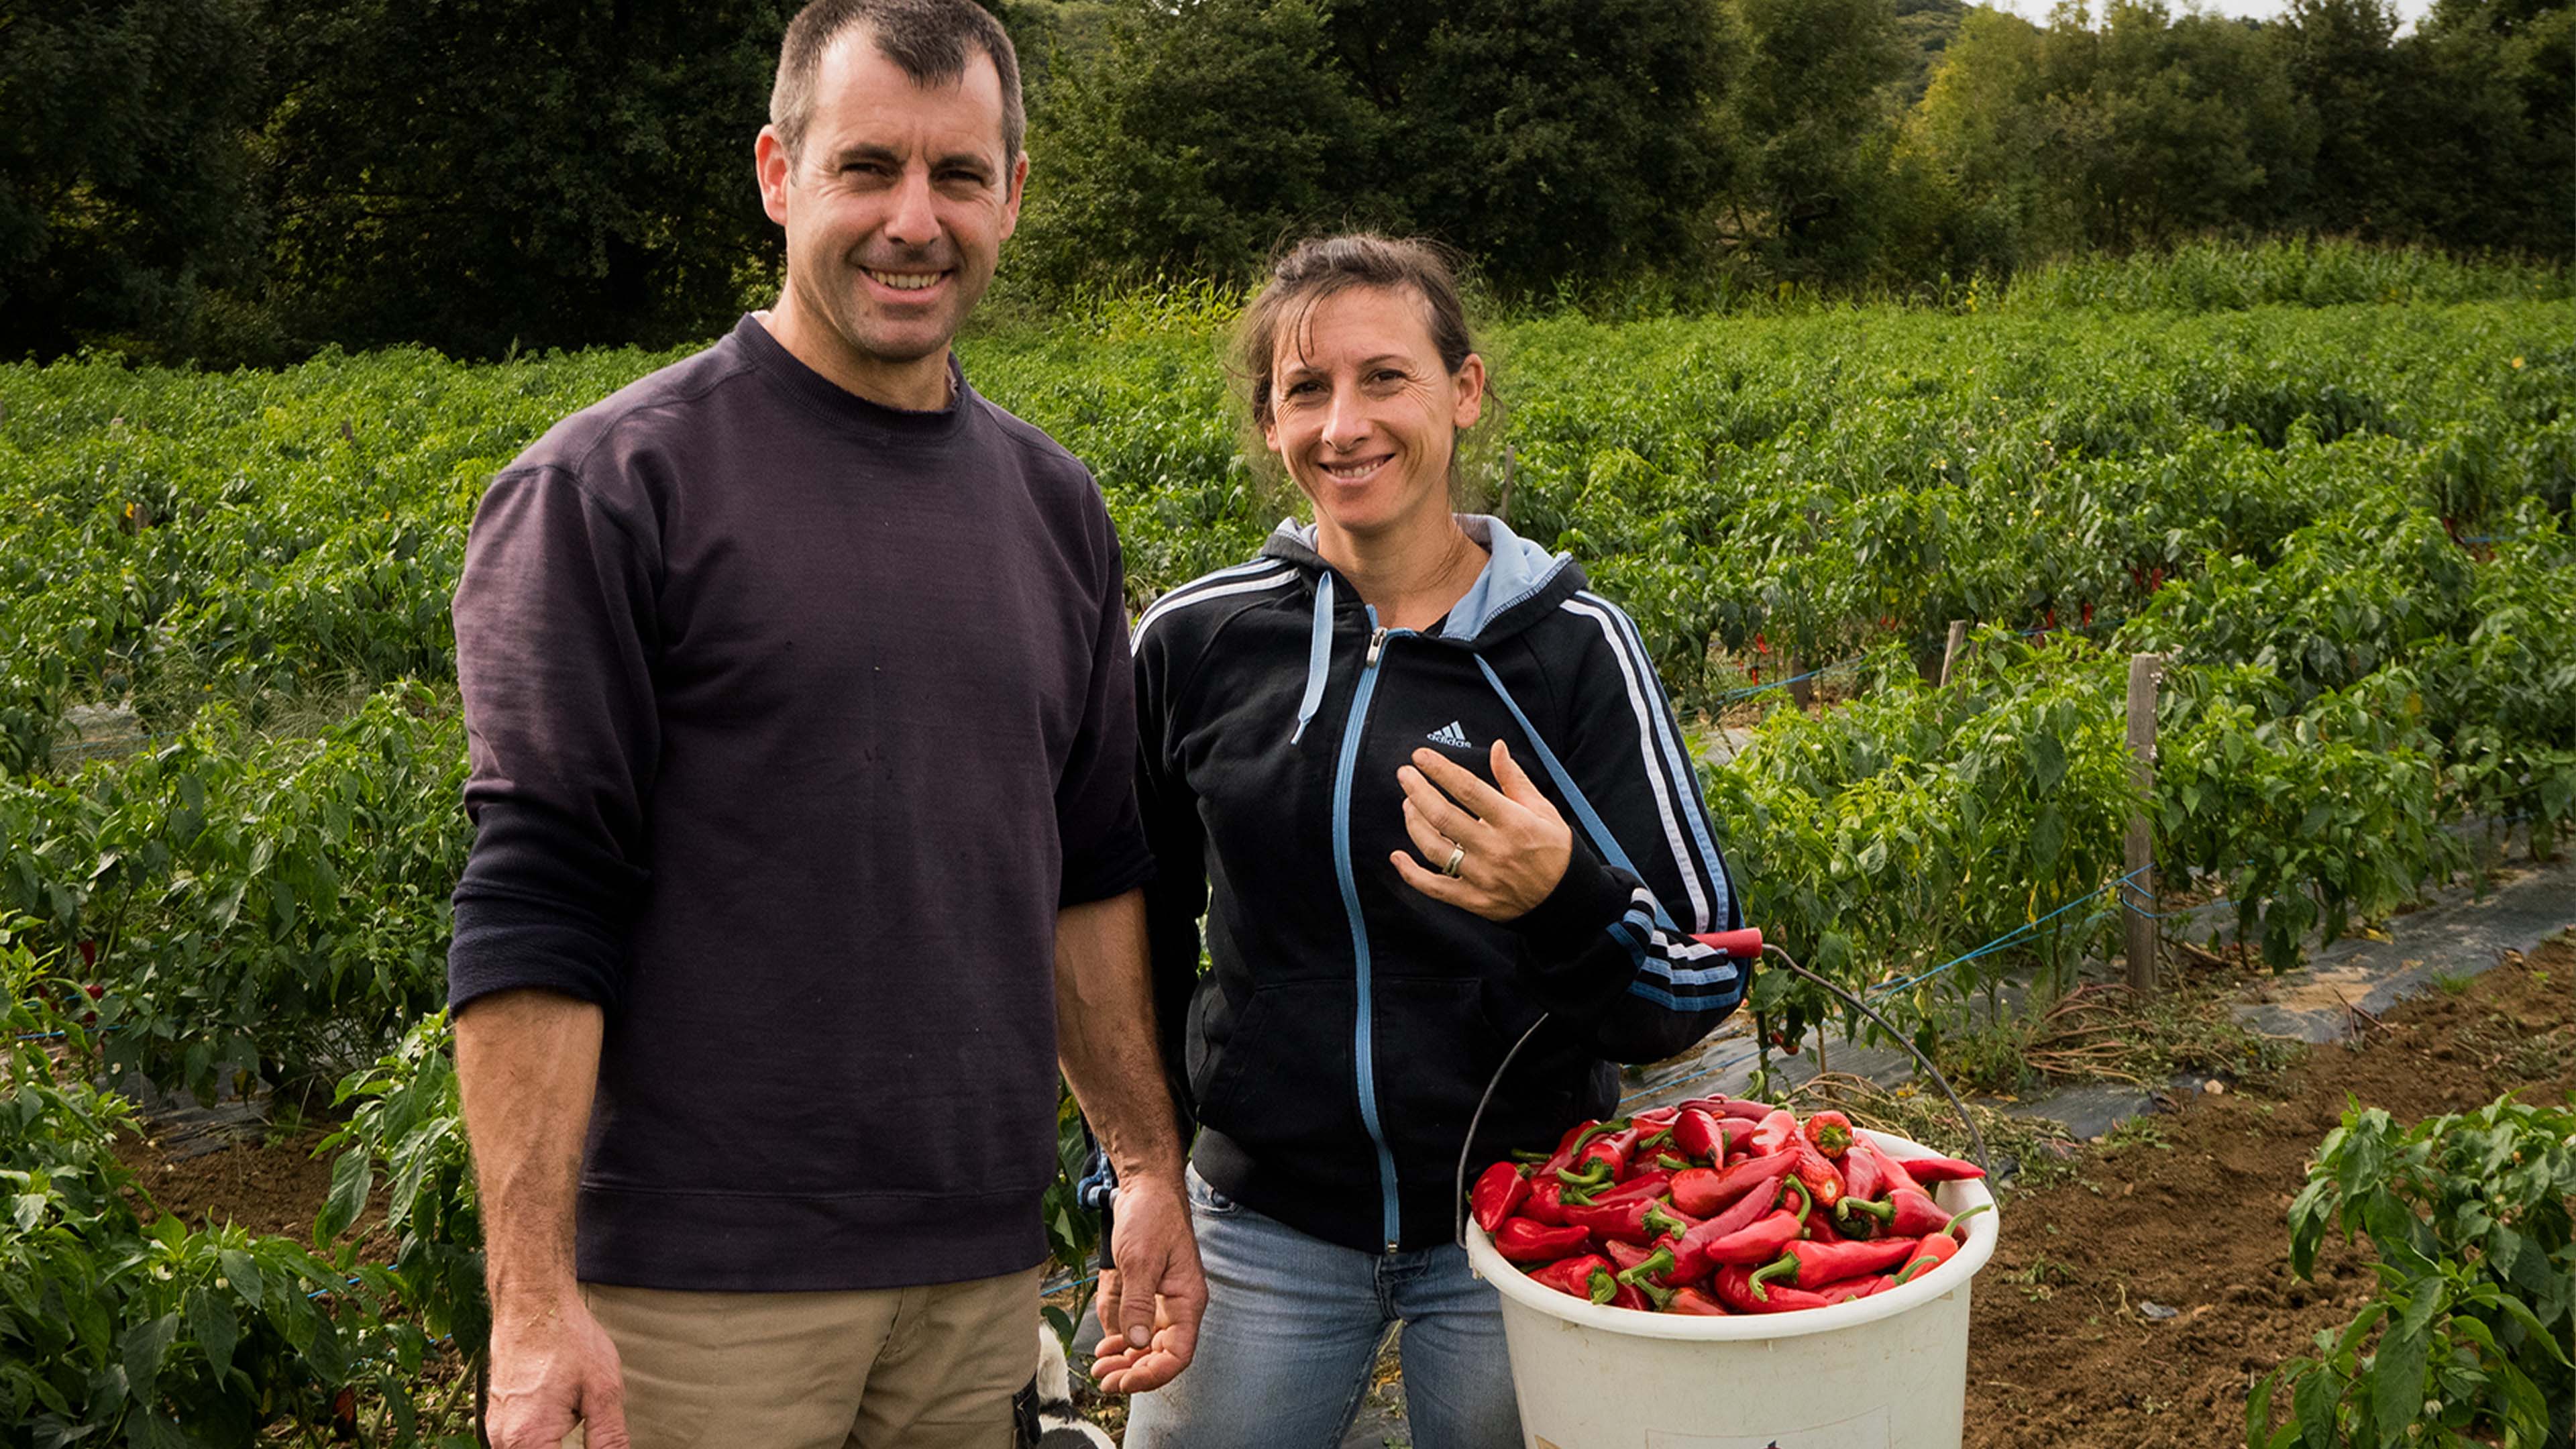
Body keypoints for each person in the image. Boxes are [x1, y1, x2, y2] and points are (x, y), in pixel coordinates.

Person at [443, 3, 1203, 1446]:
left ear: (1014, 196)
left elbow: (1091, 871)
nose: (915, 221)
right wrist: (532, 1301)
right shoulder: (611, 490)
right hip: (704, 1295)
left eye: (959, 177)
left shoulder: (1054, 506)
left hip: (978, 1269)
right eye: (868, 168)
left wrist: (1144, 1165)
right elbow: (537, 898)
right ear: (779, 174)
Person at [1097, 235, 1747, 1447]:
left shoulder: (1570, 648)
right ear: (1270, 419)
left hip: (1520, 1227)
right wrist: (1135, 1177)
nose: (1345, 424)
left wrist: (1561, 896)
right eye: (1307, 390)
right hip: (1257, 1228)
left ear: (1464, 390)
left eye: (1384, 377)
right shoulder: (1196, 643)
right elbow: (1121, 927)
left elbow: (1704, 966)